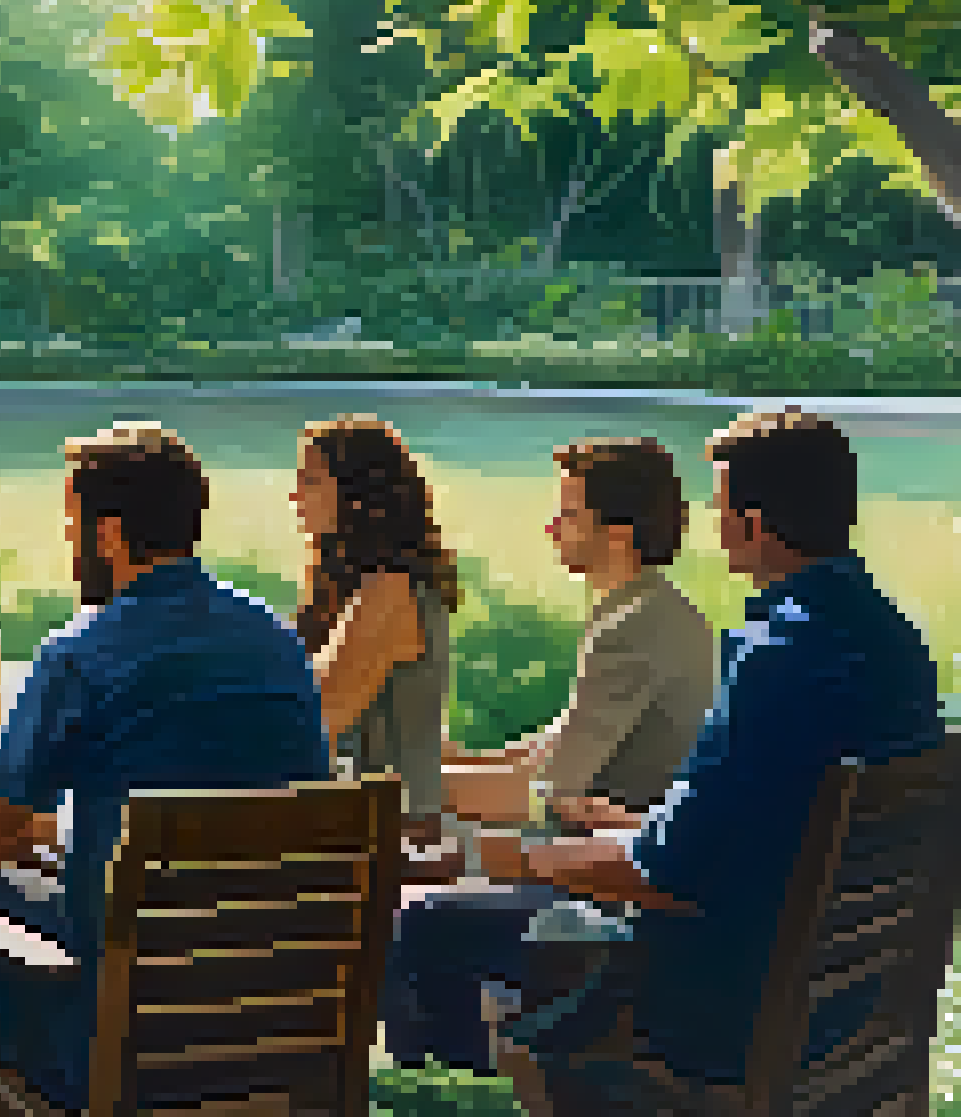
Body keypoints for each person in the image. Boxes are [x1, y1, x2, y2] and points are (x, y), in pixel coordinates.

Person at [478, 409, 944, 1111]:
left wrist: (511, 858)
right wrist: (636, 827)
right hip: (860, 1006)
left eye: (720, 507)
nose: (712, 524)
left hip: (736, 1023)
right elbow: (754, 830)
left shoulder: (779, 655)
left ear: (752, 525)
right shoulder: (893, 641)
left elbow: (671, 876)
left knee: (482, 945)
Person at [0, 424, 335, 1114]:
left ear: (107, 536)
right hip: (277, 1024)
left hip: (126, 1037)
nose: (71, 543)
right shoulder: (281, 648)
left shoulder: (80, 655)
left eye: (73, 524)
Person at [383, 436, 715, 1073]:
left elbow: (546, 793)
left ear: (617, 533)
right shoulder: (649, 612)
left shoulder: (634, 631)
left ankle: (446, 1072)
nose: (551, 526)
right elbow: (546, 753)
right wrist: (445, 762)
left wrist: (409, 787)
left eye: (567, 512)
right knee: (427, 839)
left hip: (609, 890)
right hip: (611, 863)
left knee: (412, 895)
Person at [292, 415, 461, 845]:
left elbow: (310, 722)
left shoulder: (387, 595)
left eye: (310, 481)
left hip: (392, 835)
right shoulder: (366, 590)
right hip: (367, 820)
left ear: (357, 496)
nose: (295, 496)